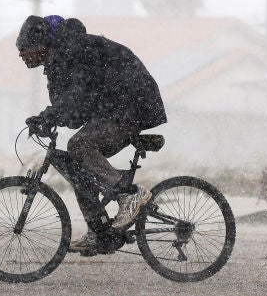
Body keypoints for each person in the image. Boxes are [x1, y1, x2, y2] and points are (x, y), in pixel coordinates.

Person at [16, 14, 167, 254]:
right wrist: (48, 118)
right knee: (79, 169)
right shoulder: (57, 62)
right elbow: (73, 112)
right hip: (117, 106)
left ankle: (131, 195)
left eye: (25, 49)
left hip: (131, 104)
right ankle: (100, 232)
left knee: (80, 145)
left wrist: (50, 115)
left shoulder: (75, 49)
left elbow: (79, 95)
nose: (21, 54)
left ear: (42, 43)